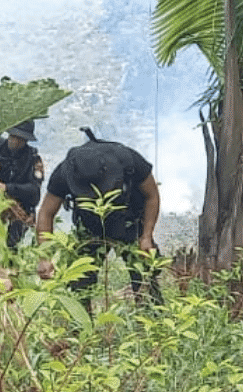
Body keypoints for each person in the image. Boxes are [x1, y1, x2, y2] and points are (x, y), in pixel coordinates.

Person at [35, 126, 162, 303]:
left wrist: (146, 236)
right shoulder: (65, 172)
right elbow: (46, 214)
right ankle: (82, 319)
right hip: (90, 228)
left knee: (145, 275)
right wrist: (45, 257)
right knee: (79, 283)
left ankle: (151, 315)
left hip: (130, 223)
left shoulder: (129, 160)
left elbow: (152, 196)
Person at [0, 119, 46, 248]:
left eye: (21, 139)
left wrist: (7, 188)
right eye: (14, 137)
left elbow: (34, 192)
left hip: (17, 212)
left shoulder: (33, 159)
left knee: (10, 247)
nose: (16, 141)